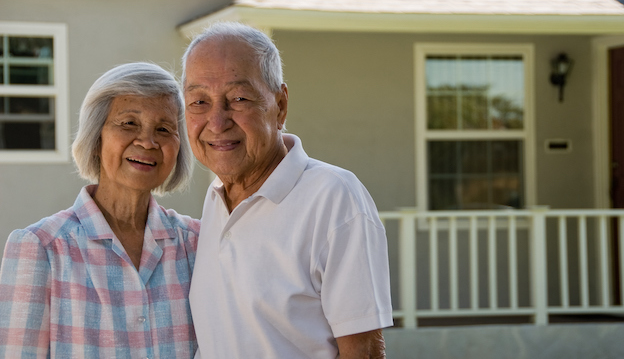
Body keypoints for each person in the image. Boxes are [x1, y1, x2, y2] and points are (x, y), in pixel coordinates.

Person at [183, 22, 393, 358]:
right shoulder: (215, 203)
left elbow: (364, 352)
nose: (217, 121)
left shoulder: (333, 197)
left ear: (280, 105)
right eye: (198, 101)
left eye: (238, 98)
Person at [0, 62, 199, 358]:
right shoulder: (41, 248)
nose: (147, 141)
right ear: (96, 139)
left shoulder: (198, 244)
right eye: (128, 123)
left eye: (164, 128)